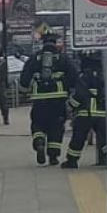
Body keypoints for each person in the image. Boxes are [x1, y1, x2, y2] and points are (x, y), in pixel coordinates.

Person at [19, 32, 77, 166]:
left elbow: (24, 78)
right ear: (55, 44)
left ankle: (39, 141)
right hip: (58, 99)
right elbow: (73, 76)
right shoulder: (63, 58)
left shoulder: (34, 58)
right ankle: (53, 156)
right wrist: (69, 89)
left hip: (39, 99)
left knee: (38, 123)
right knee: (56, 127)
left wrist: (24, 91)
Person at [63, 52, 106, 169]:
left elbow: (79, 94)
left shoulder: (84, 76)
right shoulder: (104, 75)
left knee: (78, 138)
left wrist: (71, 106)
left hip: (85, 114)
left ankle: (72, 161)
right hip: (102, 114)